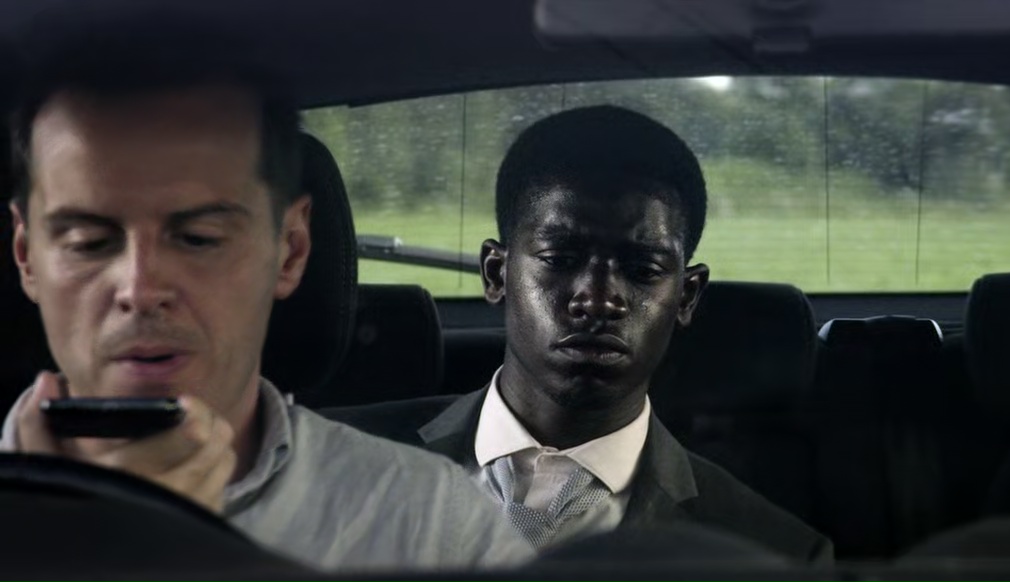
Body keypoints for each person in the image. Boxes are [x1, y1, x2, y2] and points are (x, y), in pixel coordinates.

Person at [0, 43, 532, 570]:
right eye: (89, 243)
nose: (138, 289)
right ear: (26, 257)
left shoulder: (430, 523)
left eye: (199, 239)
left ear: (291, 250)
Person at [326, 105, 833, 563]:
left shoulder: (772, 554)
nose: (599, 299)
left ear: (686, 297)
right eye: (561, 258)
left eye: (641, 270)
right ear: (497, 274)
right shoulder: (326, 463)